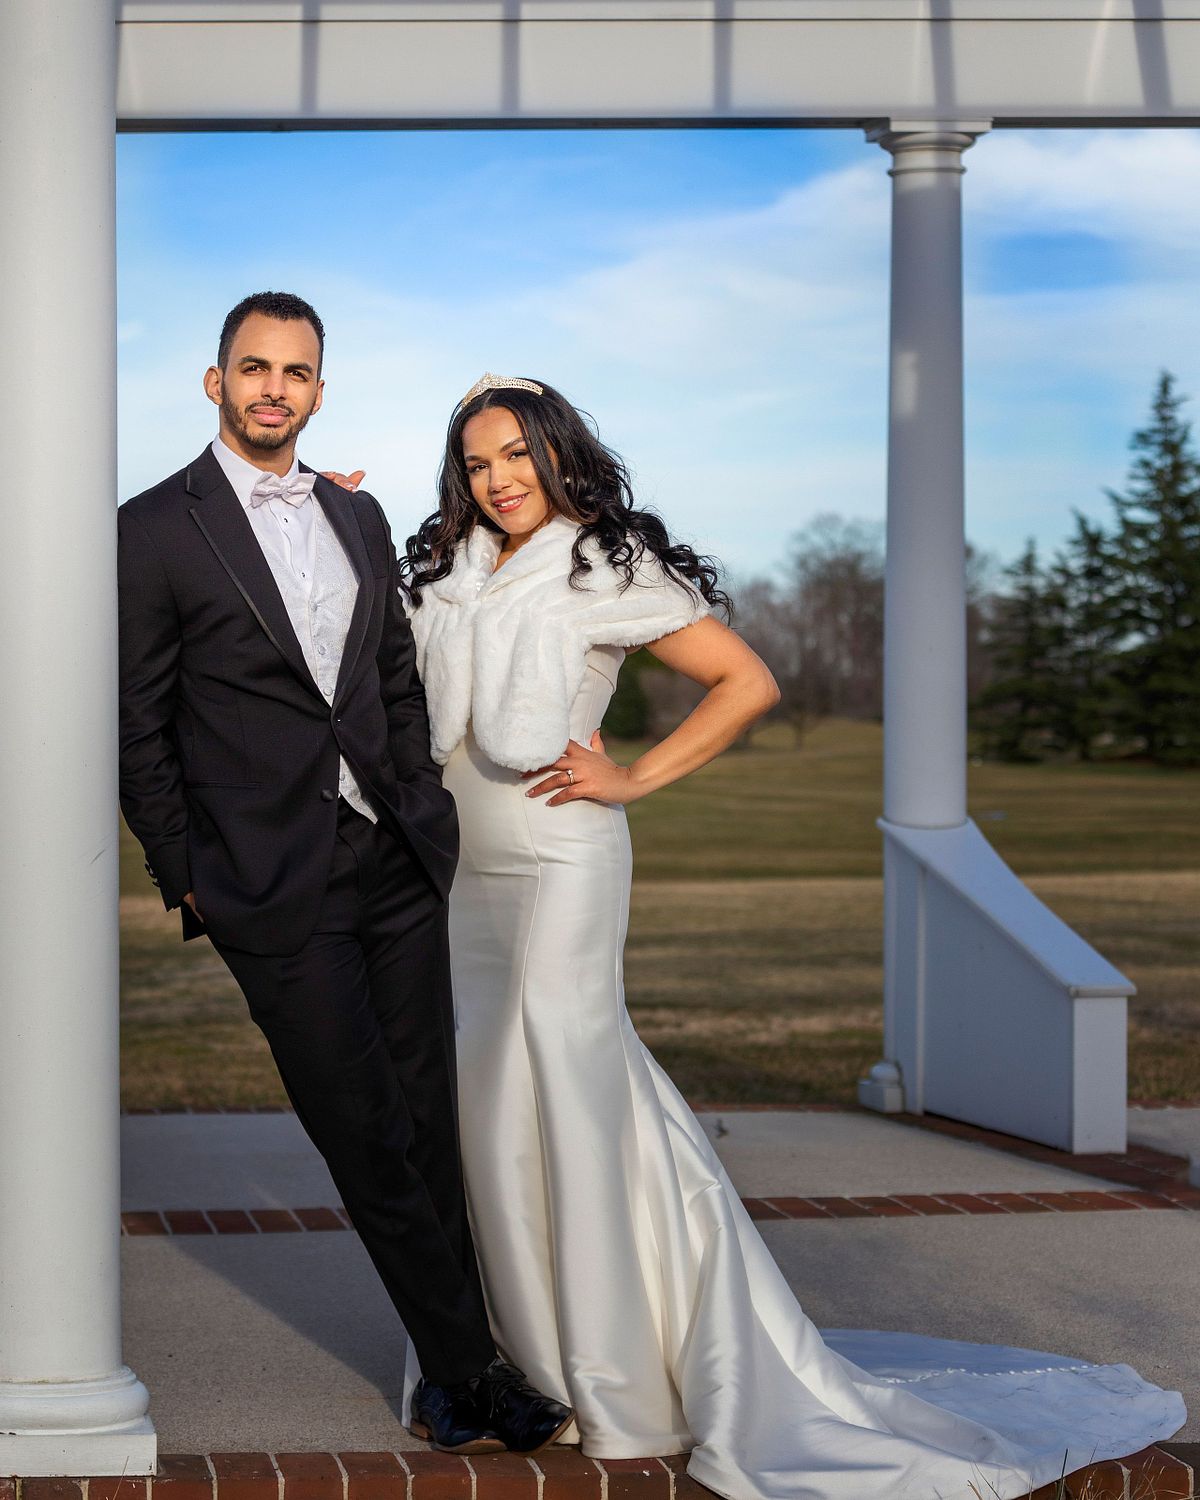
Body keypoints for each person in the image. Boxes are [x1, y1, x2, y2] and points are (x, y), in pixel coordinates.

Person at [334, 372, 1183, 1500]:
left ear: (555, 452)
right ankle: (514, 1365)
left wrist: (631, 776)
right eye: (479, 463)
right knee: (485, 1098)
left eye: (516, 457)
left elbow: (747, 682)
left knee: (578, 1089)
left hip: (560, 860)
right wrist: (332, 517)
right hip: (462, 874)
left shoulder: (605, 561)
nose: (499, 480)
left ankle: (620, 1376)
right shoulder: (445, 568)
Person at [117, 296, 573, 1458]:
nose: (276, 387)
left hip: (392, 861)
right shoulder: (152, 529)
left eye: (299, 371)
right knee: (360, 1125)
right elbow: (136, 724)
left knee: (427, 1120)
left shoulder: (359, 518)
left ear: (320, 389)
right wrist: (191, 878)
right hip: (267, 883)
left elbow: (389, 677)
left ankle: (452, 1373)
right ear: (215, 383)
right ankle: (479, 1374)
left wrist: (419, 799)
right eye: (255, 368)